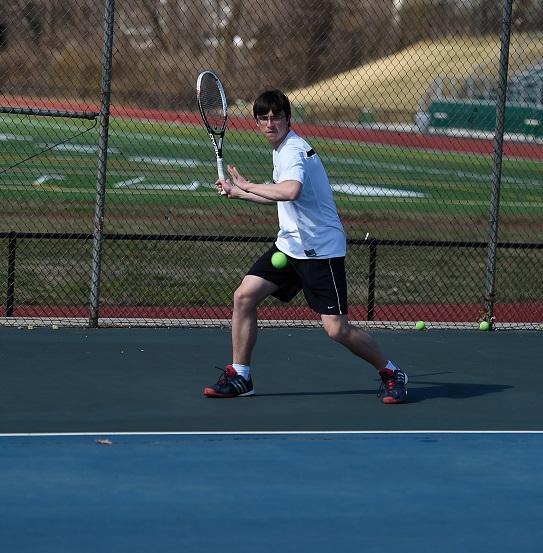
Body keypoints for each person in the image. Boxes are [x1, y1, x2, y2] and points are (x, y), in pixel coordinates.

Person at [203, 89, 408, 404]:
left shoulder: (293, 150)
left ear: (288, 119)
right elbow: (278, 194)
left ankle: (391, 372)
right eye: (264, 118)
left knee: (337, 330)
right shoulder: (281, 149)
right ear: (257, 123)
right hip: (290, 246)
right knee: (244, 296)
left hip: (320, 250)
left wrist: (248, 185)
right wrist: (240, 193)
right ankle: (241, 375)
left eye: (277, 117)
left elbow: (291, 191)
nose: (271, 123)